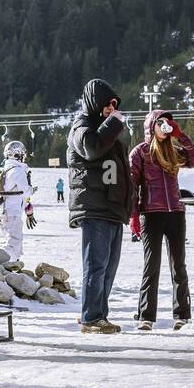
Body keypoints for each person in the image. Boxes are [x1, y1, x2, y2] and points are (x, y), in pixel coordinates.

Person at [67, 78, 134, 334]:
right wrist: (114, 123)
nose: (111, 108)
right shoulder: (81, 127)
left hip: (112, 208)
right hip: (94, 207)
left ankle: (99, 315)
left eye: (115, 105)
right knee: (95, 266)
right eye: (107, 104)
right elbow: (91, 149)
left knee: (108, 267)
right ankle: (91, 317)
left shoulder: (107, 132)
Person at [130, 110, 194, 330]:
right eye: (161, 123)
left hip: (176, 213)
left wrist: (180, 135)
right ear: (151, 126)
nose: (165, 126)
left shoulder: (173, 149)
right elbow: (133, 187)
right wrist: (133, 216)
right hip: (151, 213)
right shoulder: (139, 152)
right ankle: (146, 317)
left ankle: (182, 315)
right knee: (151, 266)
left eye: (168, 123)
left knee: (178, 265)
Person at [0, 141, 31, 262]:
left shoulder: (5, 169)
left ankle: (13, 264)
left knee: (13, 241)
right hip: (12, 211)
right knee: (14, 242)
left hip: (2, 210)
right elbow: (25, 191)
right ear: (18, 155)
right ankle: (1, 263)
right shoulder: (17, 170)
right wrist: (31, 189)